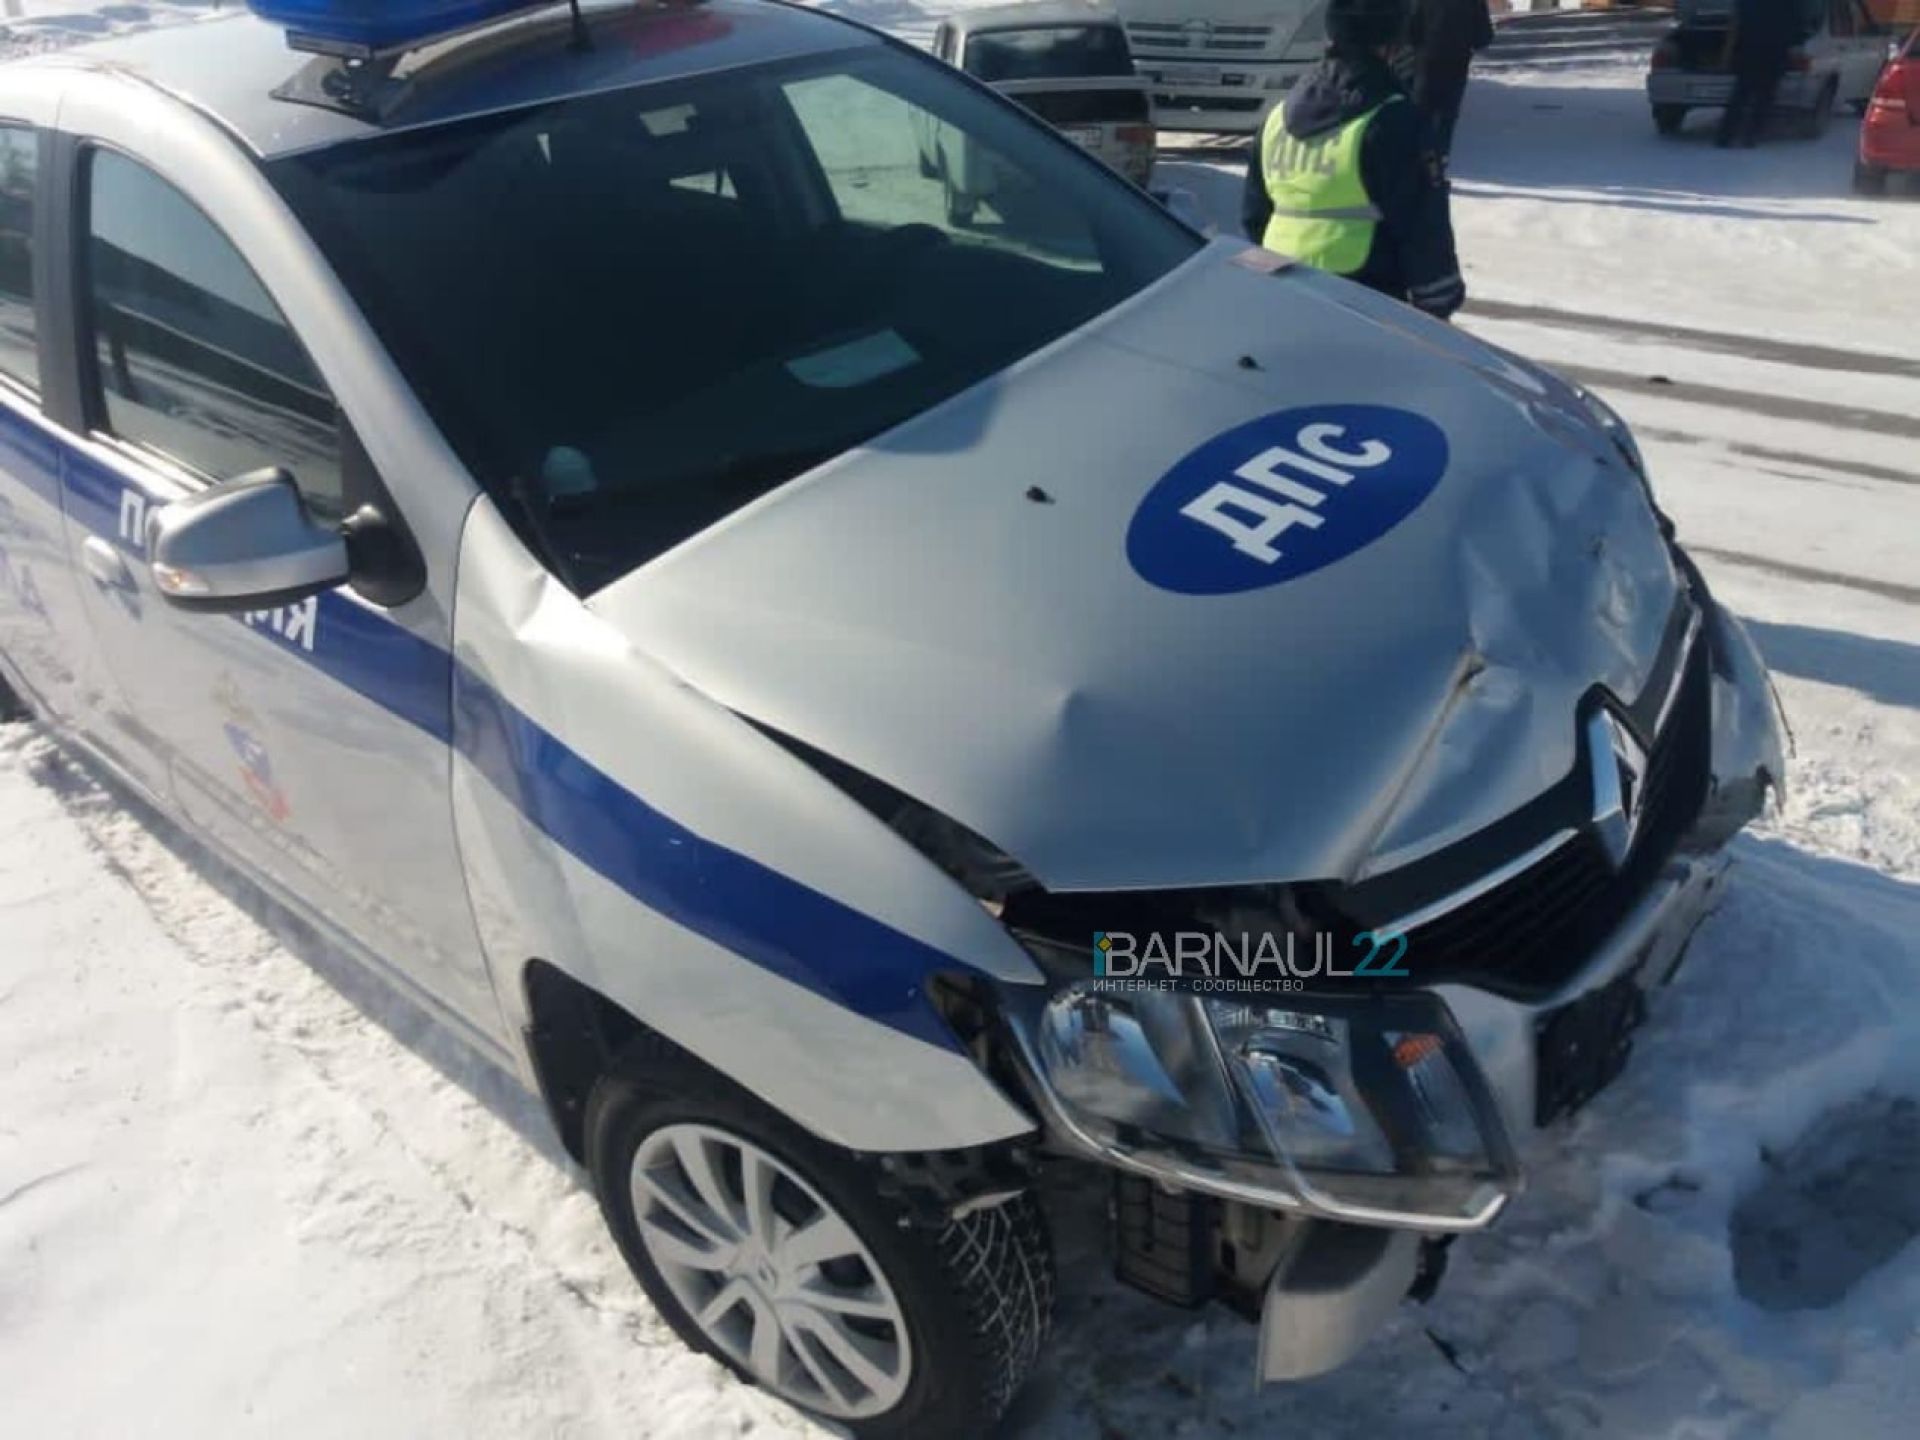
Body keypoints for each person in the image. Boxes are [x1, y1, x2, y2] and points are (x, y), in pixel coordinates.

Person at [1242, 0, 1465, 320]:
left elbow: (1254, 216)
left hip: (1282, 291)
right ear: (1392, 42)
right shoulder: (1392, 119)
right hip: (1364, 296)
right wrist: (1439, 300)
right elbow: (1421, 223)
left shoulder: (1277, 117)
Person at [1404, 0, 1494, 160]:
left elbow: (1410, 31)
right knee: (1446, 117)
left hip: (1425, 64)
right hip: (1456, 65)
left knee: (1420, 114)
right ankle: (1439, 161)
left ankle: (1419, 160)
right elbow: (1484, 37)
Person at [1717, 0, 1801, 147]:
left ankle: (1726, 135)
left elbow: (1736, 24)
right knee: (1764, 97)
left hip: (1749, 51)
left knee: (1741, 95)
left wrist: (1728, 52)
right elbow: (1794, 26)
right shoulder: (1787, 4)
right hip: (1773, 52)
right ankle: (1750, 135)